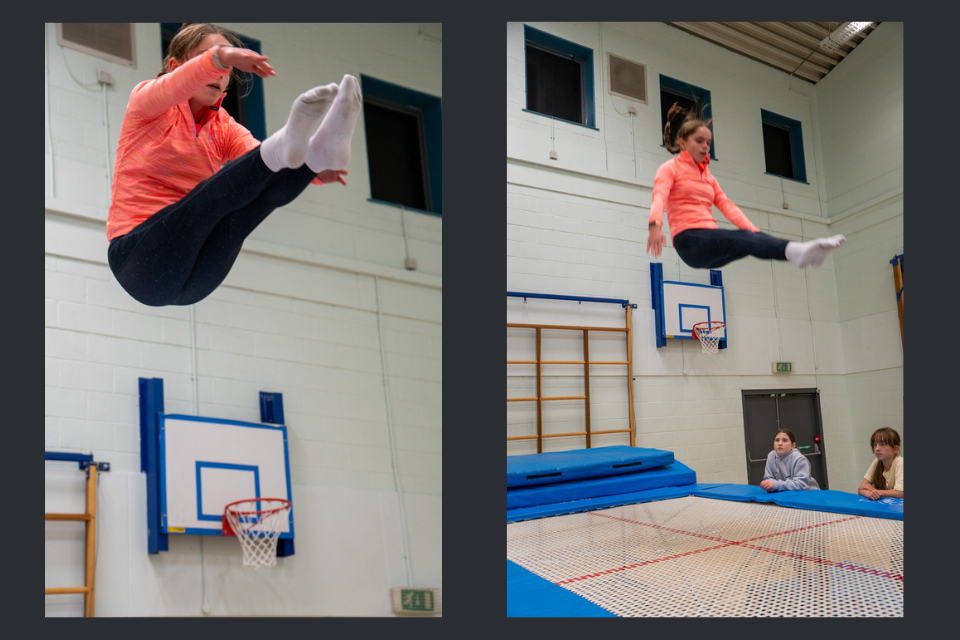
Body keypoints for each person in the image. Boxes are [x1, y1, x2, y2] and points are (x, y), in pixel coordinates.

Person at [106, 23, 362, 307]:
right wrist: (220, 58)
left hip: (196, 279)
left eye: (227, 70)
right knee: (209, 201)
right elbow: (176, 85)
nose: (220, 74)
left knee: (249, 201)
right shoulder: (146, 104)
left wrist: (310, 172)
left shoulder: (224, 127)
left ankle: (321, 154)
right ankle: (312, 154)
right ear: (176, 66)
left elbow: (266, 165)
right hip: (138, 261)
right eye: (209, 59)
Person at [646, 103, 846, 270]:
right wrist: (655, 226)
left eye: (708, 142)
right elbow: (659, 196)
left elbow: (727, 206)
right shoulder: (670, 168)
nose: (705, 146)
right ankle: (797, 251)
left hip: (709, 243)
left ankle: (805, 255)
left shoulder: (708, 178)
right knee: (744, 238)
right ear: (682, 143)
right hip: (689, 240)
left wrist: (754, 231)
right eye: (699, 141)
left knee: (750, 240)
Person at [857, 427, 903, 500]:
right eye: (875, 445)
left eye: (882, 444)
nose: (877, 448)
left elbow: (901, 493)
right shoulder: (877, 462)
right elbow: (861, 488)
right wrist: (869, 493)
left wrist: (873, 490)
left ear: (895, 449)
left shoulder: (900, 462)